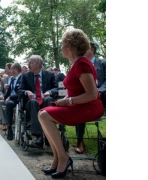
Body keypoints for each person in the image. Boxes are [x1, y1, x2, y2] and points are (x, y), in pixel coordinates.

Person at [38, 28, 104, 178]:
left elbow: (92, 94)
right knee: (41, 113)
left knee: (44, 116)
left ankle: (63, 158)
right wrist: (66, 100)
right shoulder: (76, 63)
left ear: (70, 46)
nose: (61, 47)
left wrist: (68, 101)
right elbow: (76, 88)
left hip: (89, 107)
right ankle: (57, 158)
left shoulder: (82, 64)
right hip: (78, 105)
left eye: (62, 44)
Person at [18, 55, 57, 148]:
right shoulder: (25, 76)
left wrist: (50, 92)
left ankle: (49, 136)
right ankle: (39, 136)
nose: (28, 64)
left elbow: (57, 88)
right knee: (33, 102)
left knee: (48, 99)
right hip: (32, 103)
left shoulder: (50, 75)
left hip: (45, 100)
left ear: (38, 64)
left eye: (31, 62)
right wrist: (26, 91)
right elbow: (19, 90)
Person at [74, 42, 106, 154]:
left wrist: (99, 91)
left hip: (101, 96)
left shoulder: (102, 63)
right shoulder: (78, 65)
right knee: (79, 103)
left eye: (84, 48)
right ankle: (80, 141)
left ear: (91, 50)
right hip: (85, 97)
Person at [4, 63, 22, 140]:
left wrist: (9, 97)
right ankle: (8, 125)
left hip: (18, 99)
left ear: (15, 69)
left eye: (11, 69)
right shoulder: (12, 79)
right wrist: (5, 98)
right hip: (11, 98)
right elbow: (9, 91)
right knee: (4, 102)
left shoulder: (22, 78)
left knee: (10, 104)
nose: (10, 70)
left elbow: (19, 92)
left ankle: (10, 127)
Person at [0, 63, 12, 130]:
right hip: (4, 98)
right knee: (0, 103)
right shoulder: (4, 79)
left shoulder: (15, 78)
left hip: (12, 98)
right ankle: (4, 123)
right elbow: (1, 90)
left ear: (10, 69)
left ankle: (10, 123)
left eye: (6, 68)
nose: (4, 69)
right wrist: (1, 95)